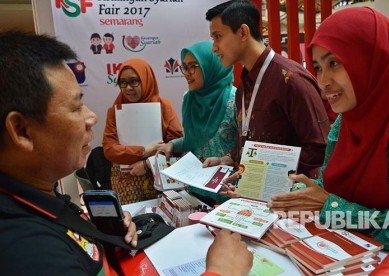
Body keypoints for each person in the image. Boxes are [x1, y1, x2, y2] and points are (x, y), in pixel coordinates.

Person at [0, 31, 252, 275]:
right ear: (22, 130)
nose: (92, 117)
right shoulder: (29, 251)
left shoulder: (42, 203)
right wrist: (220, 272)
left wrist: (100, 236)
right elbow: (111, 149)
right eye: (76, 107)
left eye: (192, 67)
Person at [267, 7, 389, 257]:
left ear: (369, 58)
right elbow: (329, 186)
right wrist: (298, 193)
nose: (322, 81)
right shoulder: (349, 118)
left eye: (334, 63)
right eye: (318, 67)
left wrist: (332, 208)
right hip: (341, 256)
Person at [204, 0, 329, 179]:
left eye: (218, 36)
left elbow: (319, 149)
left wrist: (267, 171)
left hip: (290, 199)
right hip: (251, 197)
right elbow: (254, 141)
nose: (214, 47)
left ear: (243, 32)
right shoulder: (243, 89)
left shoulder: (291, 79)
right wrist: (229, 159)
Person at [157, 40, 237, 206]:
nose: (187, 73)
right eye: (184, 67)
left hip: (225, 194)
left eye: (193, 66)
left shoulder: (234, 99)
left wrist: (226, 158)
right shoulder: (189, 98)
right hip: (194, 192)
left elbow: (247, 147)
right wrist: (173, 144)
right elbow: (194, 140)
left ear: (210, 65)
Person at [102, 58, 183, 205]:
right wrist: (144, 151)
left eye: (134, 81)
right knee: (134, 222)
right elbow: (109, 149)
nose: (128, 88)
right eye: (123, 82)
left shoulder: (164, 107)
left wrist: (147, 163)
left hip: (159, 176)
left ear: (146, 80)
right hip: (126, 180)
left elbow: (177, 146)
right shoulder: (114, 110)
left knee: (164, 219)